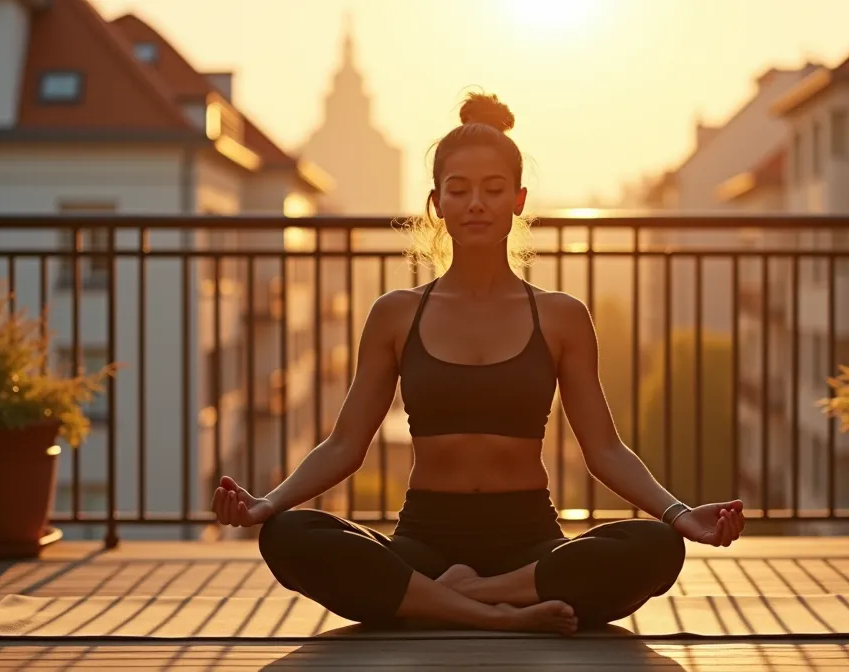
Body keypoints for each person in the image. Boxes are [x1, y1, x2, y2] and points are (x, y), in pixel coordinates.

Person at [211, 92, 745, 636]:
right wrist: (267, 505)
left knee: (655, 546)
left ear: (518, 200)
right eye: (459, 190)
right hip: (424, 538)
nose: (476, 204)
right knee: (288, 534)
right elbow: (346, 445)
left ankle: (453, 600)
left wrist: (679, 514)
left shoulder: (561, 317)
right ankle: (500, 615)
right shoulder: (396, 315)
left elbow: (604, 450)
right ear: (436, 203)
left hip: (529, 542)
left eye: (493, 191)